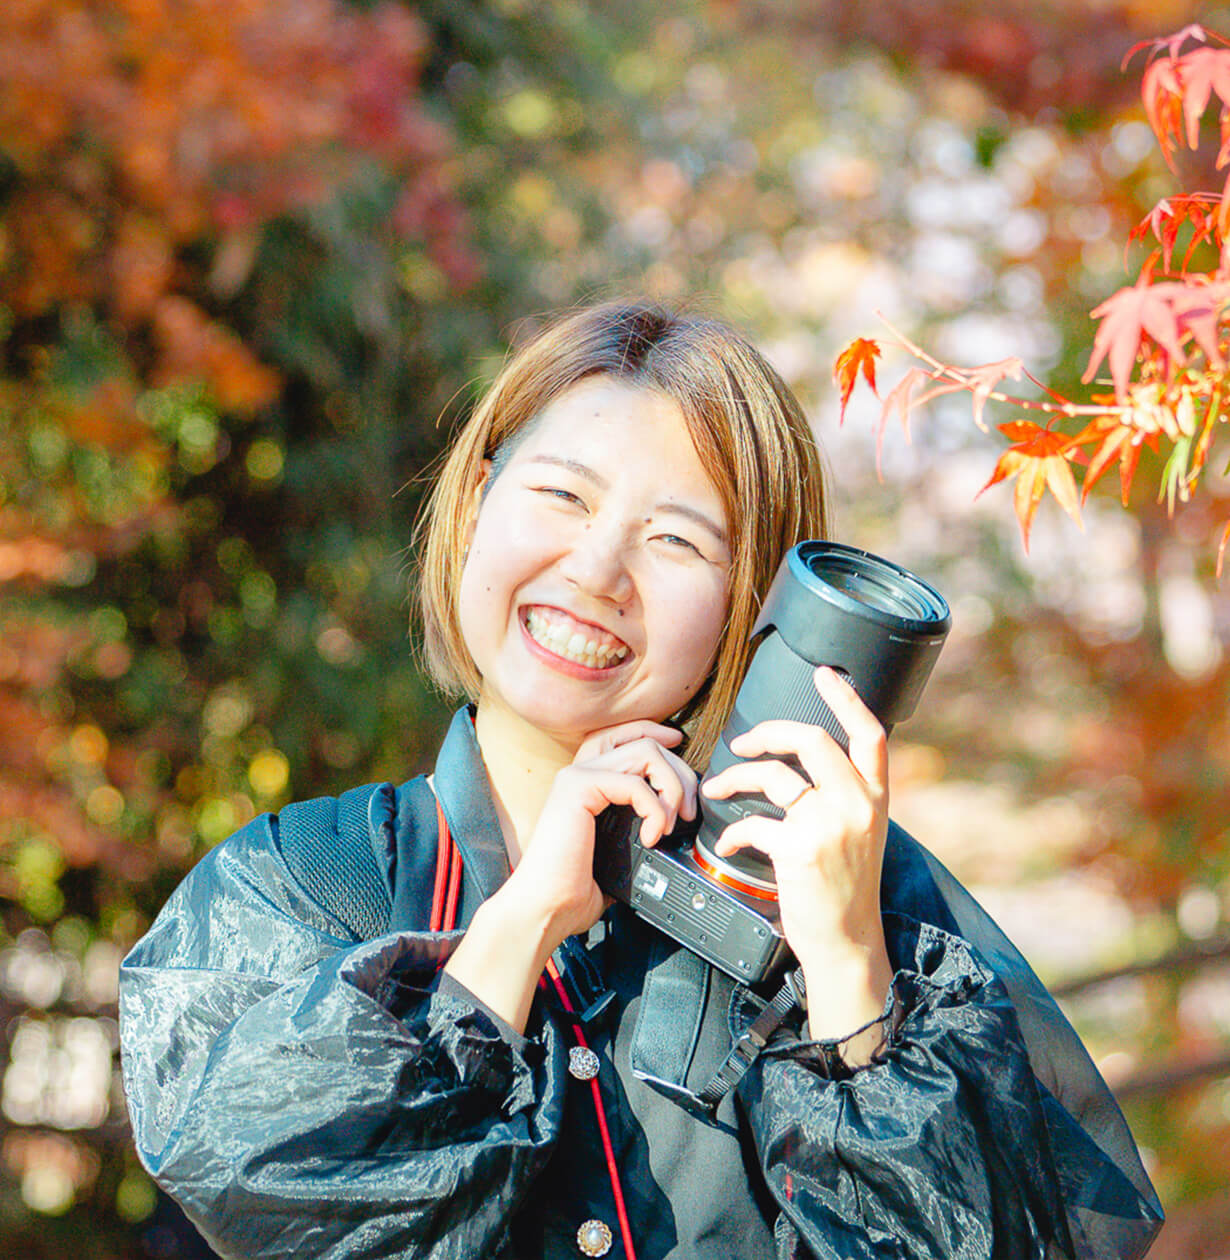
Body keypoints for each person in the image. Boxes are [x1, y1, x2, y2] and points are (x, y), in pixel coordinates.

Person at [119, 300, 1163, 1260]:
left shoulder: (860, 909)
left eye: (675, 541)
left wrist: (848, 976)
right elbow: (270, 1195)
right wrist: (523, 922)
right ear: (479, 501)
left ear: (753, 609)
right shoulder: (304, 883)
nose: (596, 570)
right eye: (561, 495)